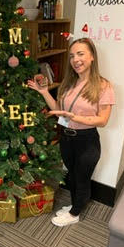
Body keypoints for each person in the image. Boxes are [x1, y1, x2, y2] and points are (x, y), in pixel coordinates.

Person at [28, 37, 115, 227]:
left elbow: (103, 120)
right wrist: (43, 92)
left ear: (92, 56)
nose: (76, 59)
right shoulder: (70, 83)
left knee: (82, 178)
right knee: (73, 176)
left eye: (81, 54)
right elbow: (60, 110)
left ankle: (75, 213)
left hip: (87, 140)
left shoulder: (103, 86)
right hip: (67, 139)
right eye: (72, 56)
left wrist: (74, 117)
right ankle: (76, 204)